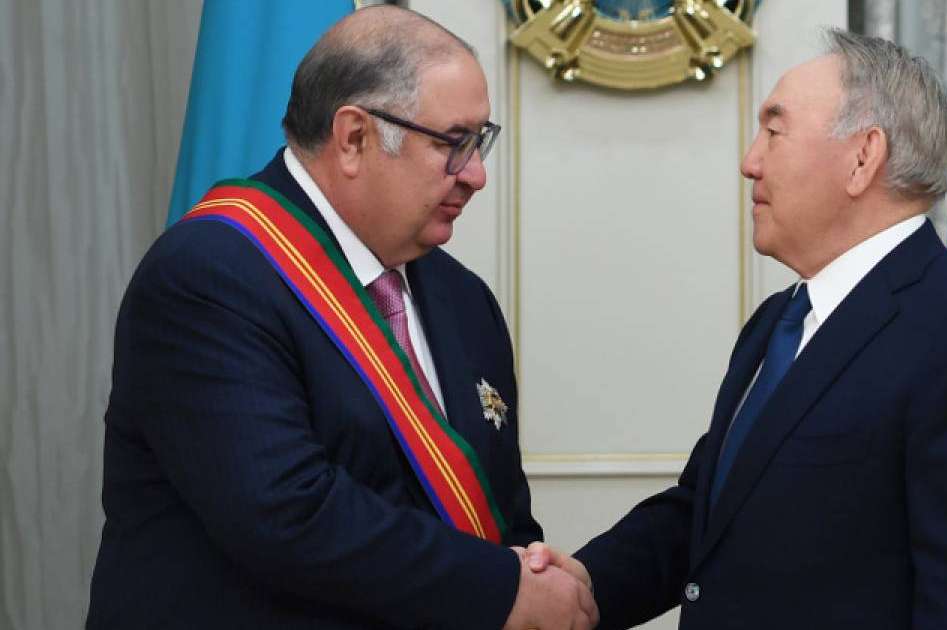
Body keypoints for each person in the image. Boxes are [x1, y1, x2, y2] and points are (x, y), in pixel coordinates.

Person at [527, 28, 947, 629]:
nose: (749, 162)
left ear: (863, 157)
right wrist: (585, 585)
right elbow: (709, 511)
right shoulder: (778, 321)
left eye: (774, 132)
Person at [87, 7, 596, 629]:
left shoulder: (464, 299)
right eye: (453, 143)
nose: (476, 174)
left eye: (479, 141)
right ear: (353, 137)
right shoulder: (209, 277)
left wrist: (533, 582)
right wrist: (500, 589)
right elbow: (286, 512)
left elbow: (500, 514)